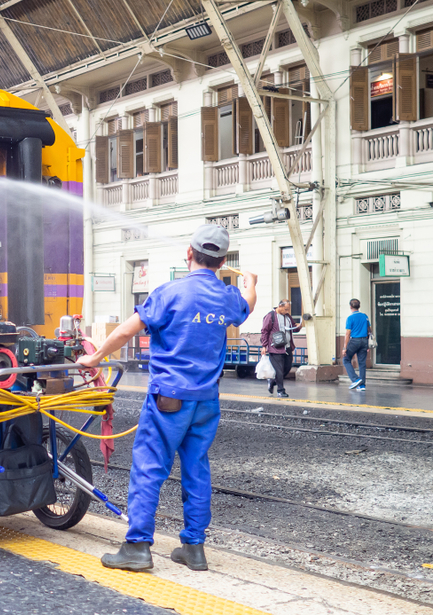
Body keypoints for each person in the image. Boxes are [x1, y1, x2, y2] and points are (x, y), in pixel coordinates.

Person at [77, 224, 257, 573]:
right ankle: (194, 547)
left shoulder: (169, 293)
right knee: (196, 468)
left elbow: (127, 330)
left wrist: (94, 357)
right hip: (206, 400)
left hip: (168, 399)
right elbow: (246, 305)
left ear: (189, 254)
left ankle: (138, 546)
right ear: (221, 263)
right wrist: (251, 283)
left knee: (149, 467)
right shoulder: (226, 296)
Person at [259, 301, 303, 398]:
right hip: (275, 348)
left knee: (287, 368)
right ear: (280, 306)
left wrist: (300, 326)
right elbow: (265, 331)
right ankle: (280, 390)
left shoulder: (287, 317)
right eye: (286, 309)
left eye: (288, 309)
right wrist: (264, 346)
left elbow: (293, 328)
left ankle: (272, 381)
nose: (287, 311)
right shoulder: (271, 316)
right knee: (279, 370)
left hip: (287, 347)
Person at [343, 299, 371, 392]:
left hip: (354, 341)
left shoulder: (350, 318)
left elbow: (348, 333)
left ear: (350, 307)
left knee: (346, 359)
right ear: (359, 306)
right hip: (364, 341)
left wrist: (344, 347)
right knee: (362, 363)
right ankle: (362, 385)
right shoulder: (365, 316)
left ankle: (355, 379)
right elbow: (369, 330)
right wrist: (367, 344)